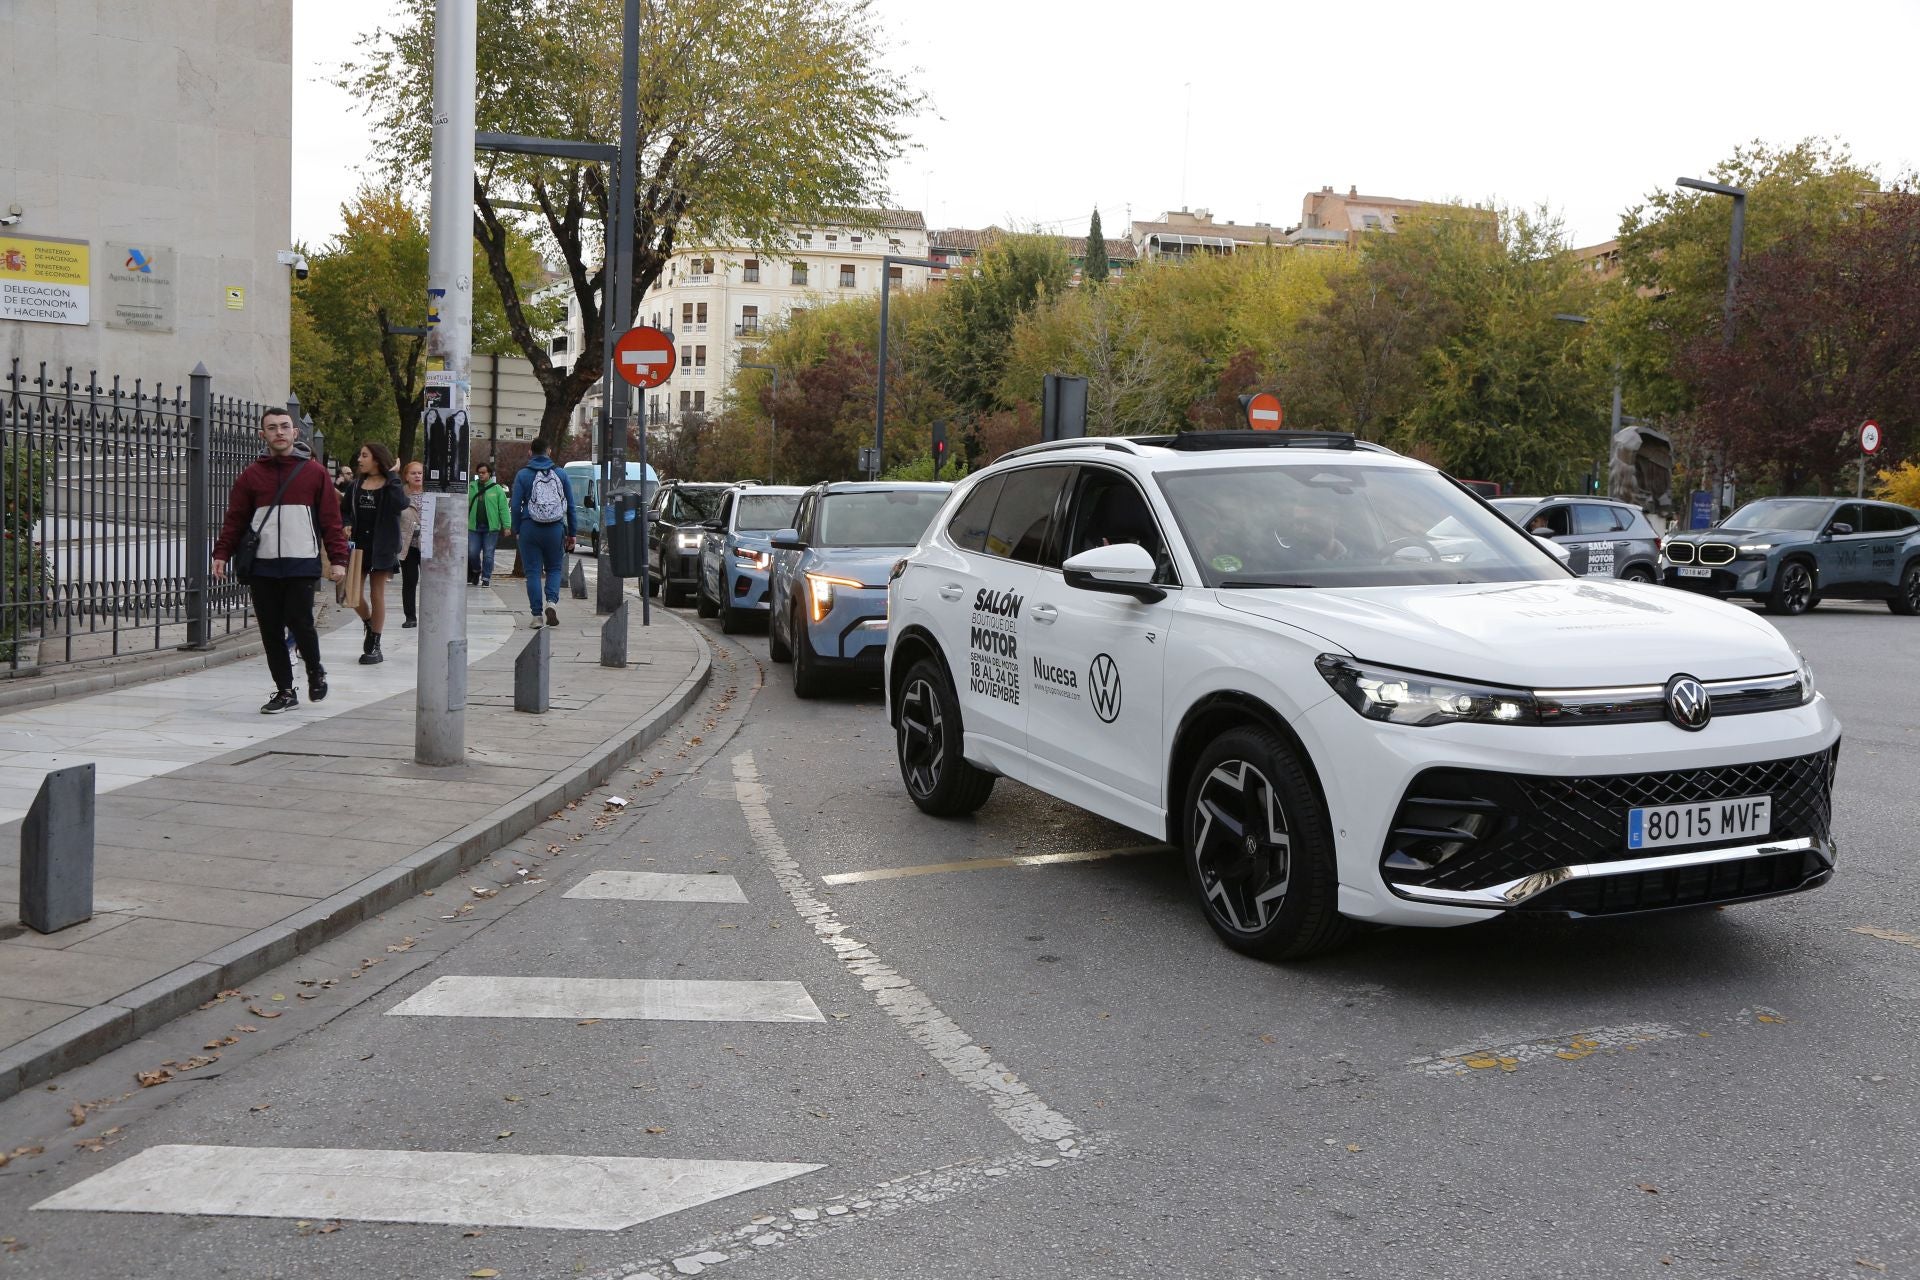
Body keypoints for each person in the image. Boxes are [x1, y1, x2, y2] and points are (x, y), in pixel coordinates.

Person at [211, 408, 348, 714]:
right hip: (263, 564)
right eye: (272, 428)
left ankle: (315, 670)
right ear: (263, 435)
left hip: (301, 561)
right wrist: (221, 553)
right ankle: (285, 691)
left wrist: (338, 558)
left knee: (300, 621)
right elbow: (235, 519)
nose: (279, 432)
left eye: (285, 427)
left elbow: (330, 520)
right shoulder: (251, 476)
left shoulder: (315, 473)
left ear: (295, 433)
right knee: (270, 629)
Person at [341, 442, 409, 664]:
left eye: (364, 456)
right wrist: (347, 523)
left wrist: (393, 477)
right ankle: (369, 623)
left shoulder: (391, 485)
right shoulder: (355, 486)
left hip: (383, 546)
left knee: (376, 593)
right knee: (352, 595)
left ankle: (375, 644)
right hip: (358, 546)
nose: (359, 460)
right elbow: (344, 511)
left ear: (377, 459)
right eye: (360, 455)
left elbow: (401, 503)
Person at [509, 438, 576, 629]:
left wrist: (518, 529)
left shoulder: (523, 475)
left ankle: (537, 616)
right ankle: (552, 603)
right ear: (549, 451)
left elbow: (515, 505)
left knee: (532, 573)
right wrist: (572, 533)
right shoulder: (561, 474)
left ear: (530, 453)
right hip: (555, 528)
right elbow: (570, 506)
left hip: (530, 527)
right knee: (554, 569)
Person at [468, 462, 510, 587]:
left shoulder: (497, 489)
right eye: (479, 473)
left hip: (491, 529)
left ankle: (486, 577)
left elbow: (503, 508)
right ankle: (476, 571)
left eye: (483, 473)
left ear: (489, 473)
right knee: (472, 553)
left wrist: (507, 526)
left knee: (488, 554)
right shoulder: (471, 487)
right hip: (473, 527)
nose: (481, 475)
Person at [398, 459, 425, 629]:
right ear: (406, 476)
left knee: (431, 582)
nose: (417, 476)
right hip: (407, 545)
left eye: (420, 473)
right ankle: (410, 617)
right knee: (410, 581)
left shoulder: (431, 493)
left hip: (428, 544)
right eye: (413, 473)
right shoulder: (400, 495)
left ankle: (431, 614)